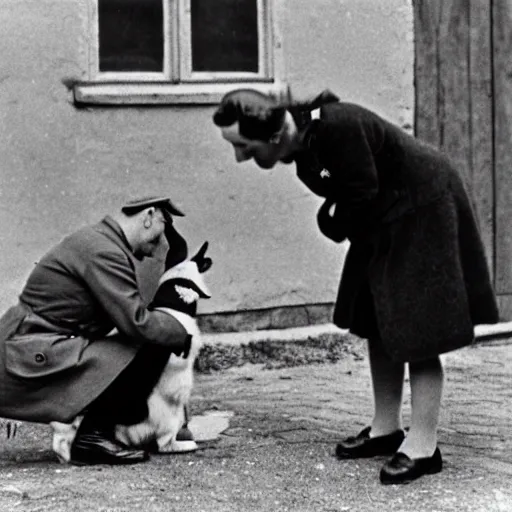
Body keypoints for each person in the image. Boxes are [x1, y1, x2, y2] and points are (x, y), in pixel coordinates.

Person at [212, 88, 499, 484]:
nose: (241, 157)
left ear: (275, 135)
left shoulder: (335, 126)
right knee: (374, 317)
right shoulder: (304, 145)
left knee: (418, 330)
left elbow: (359, 193)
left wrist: (329, 219)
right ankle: (386, 428)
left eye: (244, 146)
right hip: (381, 217)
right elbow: (353, 197)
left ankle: (423, 446)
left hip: (420, 207)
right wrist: (333, 216)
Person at [0, 196, 200, 465]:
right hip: (27, 356)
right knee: (153, 342)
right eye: (157, 236)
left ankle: (100, 429)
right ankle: (93, 438)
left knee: (145, 341)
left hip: (34, 348)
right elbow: (137, 322)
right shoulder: (104, 250)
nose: (154, 251)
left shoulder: (99, 242)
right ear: (148, 216)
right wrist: (181, 334)